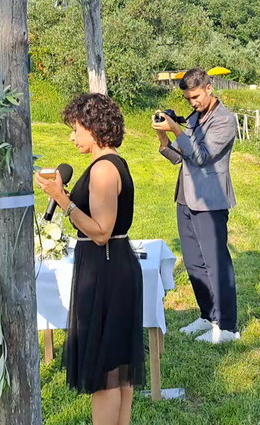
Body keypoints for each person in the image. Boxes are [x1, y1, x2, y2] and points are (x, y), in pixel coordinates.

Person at [35, 93, 145, 425]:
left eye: (75, 128)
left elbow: (100, 231)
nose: (72, 136)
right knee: (117, 369)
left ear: (93, 128)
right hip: (111, 266)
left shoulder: (103, 170)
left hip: (106, 270)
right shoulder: (111, 163)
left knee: (104, 368)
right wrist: (66, 197)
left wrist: (63, 202)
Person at [152, 67, 240, 344]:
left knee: (216, 264)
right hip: (185, 197)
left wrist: (177, 128)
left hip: (211, 200)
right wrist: (164, 138)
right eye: (188, 99)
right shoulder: (194, 117)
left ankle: (227, 327)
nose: (193, 103)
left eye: (196, 96)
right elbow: (180, 157)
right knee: (194, 263)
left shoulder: (225, 121)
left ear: (209, 88)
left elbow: (201, 157)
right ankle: (208, 316)